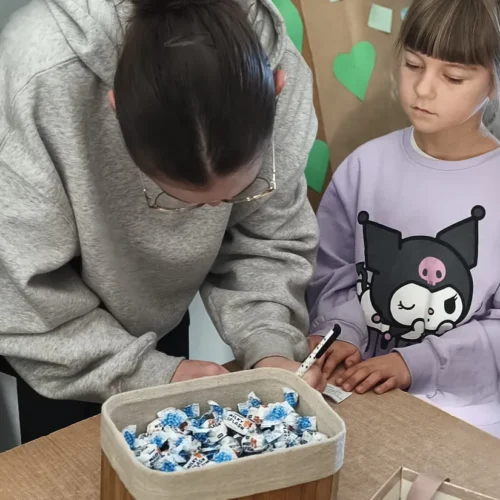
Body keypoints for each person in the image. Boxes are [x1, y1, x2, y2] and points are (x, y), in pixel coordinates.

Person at [0, 0, 327, 444]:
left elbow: (268, 237)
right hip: (49, 325)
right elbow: (24, 299)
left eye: (237, 195)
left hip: (157, 310)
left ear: (276, 89)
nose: (209, 218)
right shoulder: (38, 75)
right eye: (174, 201)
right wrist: (148, 373)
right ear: (116, 109)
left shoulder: (274, 58)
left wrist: (270, 348)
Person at [307, 0, 500, 438]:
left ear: (492, 82)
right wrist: (343, 332)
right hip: (359, 399)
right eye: (414, 65)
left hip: (468, 422)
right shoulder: (364, 166)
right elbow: (331, 272)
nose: (424, 89)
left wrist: (415, 363)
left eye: (453, 77)